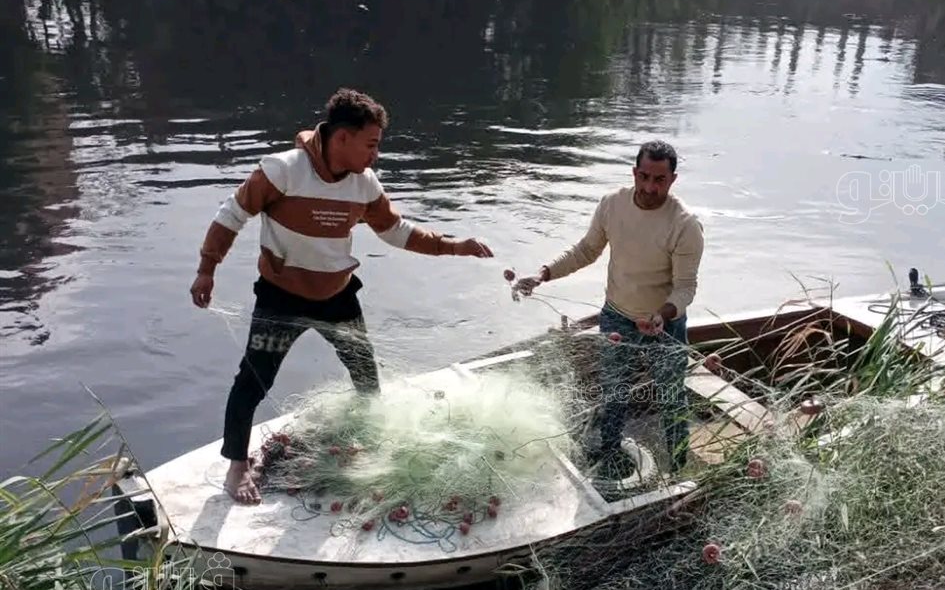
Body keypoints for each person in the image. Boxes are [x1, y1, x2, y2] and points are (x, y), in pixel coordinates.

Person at [191, 88, 492, 504]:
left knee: (366, 376)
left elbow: (395, 231)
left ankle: (371, 446)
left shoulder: (364, 183)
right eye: (371, 144)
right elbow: (232, 215)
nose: (376, 155)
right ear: (342, 138)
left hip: (338, 295)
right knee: (253, 381)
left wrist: (453, 245)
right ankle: (237, 466)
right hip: (281, 296)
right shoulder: (282, 171)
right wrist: (207, 268)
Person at [516, 141, 703, 479]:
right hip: (617, 316)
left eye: (659, 180)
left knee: (672, 398)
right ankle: (610, 455)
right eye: (644, 177)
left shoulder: (685, 224)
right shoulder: (612, 205)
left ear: (672, 180)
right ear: (634, 172)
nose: (649, 187)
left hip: (665, 323)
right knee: (613, 392)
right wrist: (543, 274)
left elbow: (685, 288)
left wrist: (663, 314)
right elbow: (586, 250)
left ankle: (678, 470)